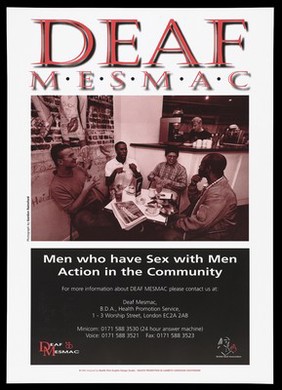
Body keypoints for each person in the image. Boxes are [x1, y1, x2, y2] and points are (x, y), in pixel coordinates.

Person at [160, 152, 237, 240]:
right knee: (168, 218)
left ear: (208, 168)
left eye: (201, 165)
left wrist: (175, 225)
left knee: (168, 234)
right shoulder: (215, 184)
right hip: (203, 220)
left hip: (212, 233)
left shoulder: (219, 193)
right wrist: (193, 184)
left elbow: (200, 222)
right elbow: (196, 201)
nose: (199, 167)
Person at [50, 143, 118, 240]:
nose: (75, 157)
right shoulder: (56, 186)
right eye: (70, 156)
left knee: (117, 219)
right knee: (107, 228)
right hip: (82, 213)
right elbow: (72, 210)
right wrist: (86, 189)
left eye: (73, 154)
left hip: (97, 204)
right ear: (60, 162)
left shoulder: (77, 168)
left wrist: (87, 171)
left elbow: (85, 177)